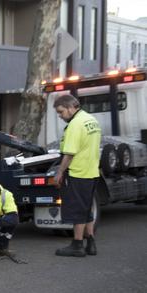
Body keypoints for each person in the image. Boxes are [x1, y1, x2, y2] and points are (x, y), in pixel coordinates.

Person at [53, 94, 102, 257]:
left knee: (77, 209)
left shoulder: (75, 124)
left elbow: (69, 153)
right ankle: (91, 243)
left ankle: (77, 244)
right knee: (86, 208)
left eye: (61, 112)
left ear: (70, 107)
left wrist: (59, 172)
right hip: (92, 171)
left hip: (77, 172)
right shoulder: (91, 120)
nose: (60, 116)